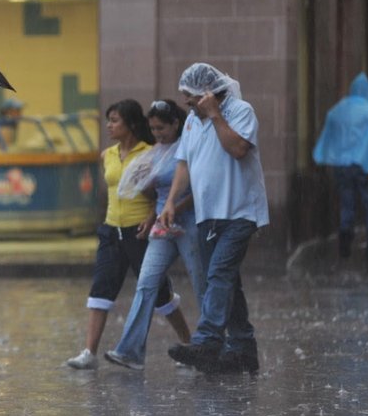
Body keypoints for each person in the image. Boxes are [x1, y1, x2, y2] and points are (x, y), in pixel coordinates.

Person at [160, 63, 269, 374]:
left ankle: (208, 341)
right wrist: (171, 202)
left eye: (190, 98)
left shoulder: (240, 111)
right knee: (226, 281)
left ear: (208, 94)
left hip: (239, 211)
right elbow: (183, 164)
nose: (187, 104)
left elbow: (237, 149)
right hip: (208, 214)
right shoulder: (192, 123)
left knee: (219, 274)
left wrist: (215, 115)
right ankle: (243, 348)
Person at [66, 99, 190, 370]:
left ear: (132, 124)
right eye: (108, 120)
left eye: (115, 120)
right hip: (112, 230)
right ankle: (89, 351)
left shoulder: (151, 153)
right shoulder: (106, 155)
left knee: (159, 293)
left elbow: (154, 194)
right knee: (101, 288)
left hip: (140, 231)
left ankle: (189, 342)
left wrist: (150, 219)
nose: (109, 126)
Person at [104, 99, 203, 370]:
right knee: (146, 283)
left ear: (176, 124)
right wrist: (144, 182)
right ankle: (131, 350)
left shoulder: (189, 148)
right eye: (153, 129)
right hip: (162, 224)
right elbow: (150, 193)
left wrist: (175, 207)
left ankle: (209, 343)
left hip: (189, 222)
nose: (157, 134)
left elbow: (199, 190)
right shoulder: (156, 152)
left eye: (162, 128)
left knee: (201, 281)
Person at [312, 72, 368, 273]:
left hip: (342, 166)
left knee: (347, 204)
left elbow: (329, 134)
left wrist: (326, 155)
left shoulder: (338, 110)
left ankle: (345, 235)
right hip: (365, 166)